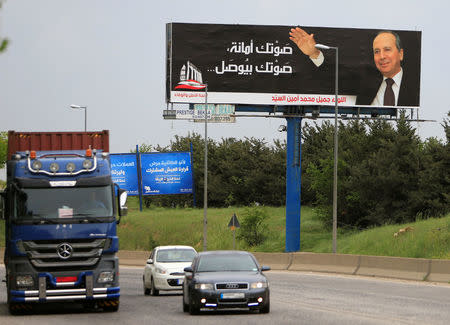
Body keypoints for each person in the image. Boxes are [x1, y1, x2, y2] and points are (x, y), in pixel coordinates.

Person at [289, 27, 418, 107]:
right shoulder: (367, 78)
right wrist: (314, 53)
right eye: (377, 52)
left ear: (400, 54)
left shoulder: (413, 84)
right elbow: (335, 75)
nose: (382, 56)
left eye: (387, 50)